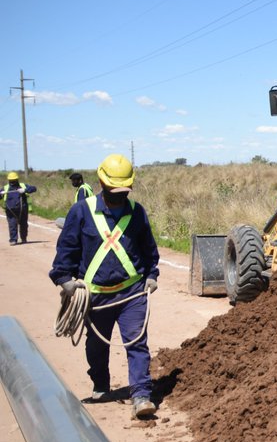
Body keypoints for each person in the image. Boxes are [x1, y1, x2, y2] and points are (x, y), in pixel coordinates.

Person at [50, 154, 160, 418]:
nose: (120, 195)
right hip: (95, 296)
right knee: (97, 346)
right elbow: (67, 247)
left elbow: (148, 248)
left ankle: (141, 395)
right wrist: (64, 279)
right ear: (101, 182)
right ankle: (101, 384)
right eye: (114, 190)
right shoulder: (81, 211)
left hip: (132, 293)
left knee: (137, 343)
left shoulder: (137, 212)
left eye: (124, 190)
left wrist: (152, 274)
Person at [3, 171, 37, 245]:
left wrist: (25, 190)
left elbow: (34, 188)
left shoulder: (23, 185)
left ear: (17, 179)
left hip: (23, 210)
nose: (13, 182)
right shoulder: (5, 188)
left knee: (24, 225)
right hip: (10, 211)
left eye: (14, 180)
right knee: (12, 225)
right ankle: (13, 240)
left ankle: (24, 238)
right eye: (11, 180)